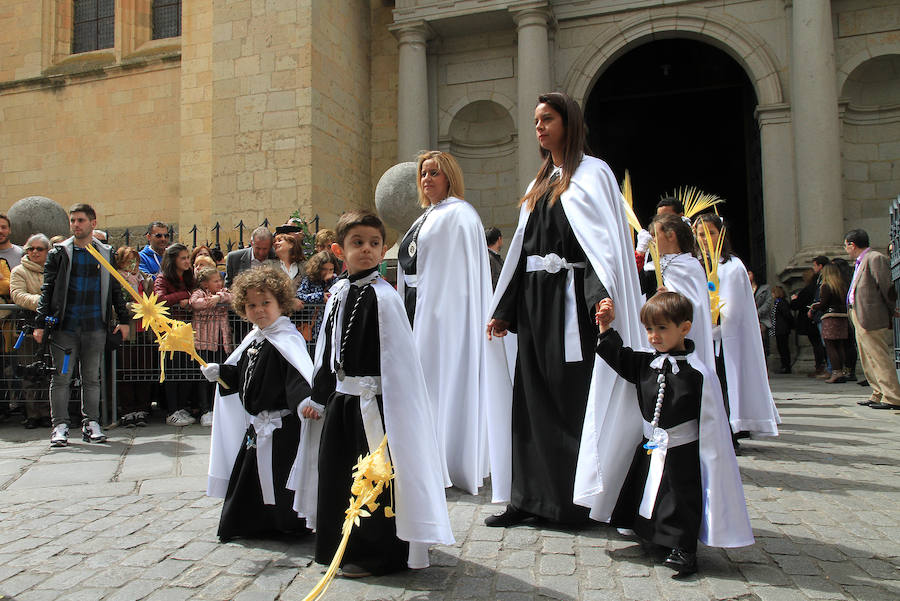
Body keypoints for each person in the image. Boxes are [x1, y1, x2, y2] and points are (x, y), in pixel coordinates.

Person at [486, 92, 644, 527]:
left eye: (547, 119)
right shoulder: (538, 184)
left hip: (573, 308)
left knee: (568, 399)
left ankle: (571, 503)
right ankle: (528, 499)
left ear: (568, 123)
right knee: (531, 401)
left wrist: (601, 297)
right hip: (536, 307)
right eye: (536, 120)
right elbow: (522, 252)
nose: (539, 127)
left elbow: (599, 249)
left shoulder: (594, 174)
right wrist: (504, 309)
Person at [292, 210, 453, 577]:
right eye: (357, 243)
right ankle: (339, 547)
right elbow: (328, 351)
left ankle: (375, 554)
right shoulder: (338, 294)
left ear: (383, 251)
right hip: (342, 404)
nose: (366, 249)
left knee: (374, 478)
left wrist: (398, 412)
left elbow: (401, 364)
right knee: (338, 477)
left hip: (376, 407)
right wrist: (320, 396)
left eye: (374, 243)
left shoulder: (385, 298)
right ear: (339, 250)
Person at [594, 293, 752, 576]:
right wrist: (606, 328)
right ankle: (653, 534)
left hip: (682, 453)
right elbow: (619, 356)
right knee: (651, 494)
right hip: (651, 448)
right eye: (649, 329)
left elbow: (712, 422)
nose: (654, 336)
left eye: (662, 328)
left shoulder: (698, 374)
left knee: (680, 500)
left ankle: (684, 549)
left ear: (684, 328)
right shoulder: (646, 364)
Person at [397, 150, 504, 495]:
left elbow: (459, 278)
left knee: (439, 383)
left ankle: (445, 459)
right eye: (423, 173)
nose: (427, 179)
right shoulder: (425, 217)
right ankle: (422, 457)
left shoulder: (460, 215)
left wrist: (441, 313)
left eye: (434, 173)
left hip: (445, 318)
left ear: (449, 177)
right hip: (416, 308)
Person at [201, 267, 314, 541]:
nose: (259, 310)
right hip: (256, 428)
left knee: (280, 476)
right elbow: (242, 375)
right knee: (251, 479)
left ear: (280, 304)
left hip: (282, 429)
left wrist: (304, 402)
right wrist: (223, 373)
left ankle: (286, 524)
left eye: (265, 303)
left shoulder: (287, 339)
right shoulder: (254, 339)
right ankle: (254, 523)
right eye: (251, 305)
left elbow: (297, 378)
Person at [34, 203, 131, 447]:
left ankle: (91, 423)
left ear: (93, 223)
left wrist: (124, 319)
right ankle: (60, 425)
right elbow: (47, 289)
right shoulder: (59, 253)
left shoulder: (105, 252)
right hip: (65, 328)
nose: (76, 225)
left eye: (80, 220)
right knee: (62, 377)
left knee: (91, 377)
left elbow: (115, 288)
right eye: (73, 220)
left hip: (95, 326)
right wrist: (40, 323)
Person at [693, 213, 780, 439]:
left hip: (725, 337)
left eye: (711, 233)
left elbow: (737, 304)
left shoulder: (733, 266)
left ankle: (731, 433)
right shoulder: (692, 264)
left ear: (721, 234)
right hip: (700, 336)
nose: (706, 239)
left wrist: (719, 323)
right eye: (701, 234)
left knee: (726, 383)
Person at [844, 229, 900, 409]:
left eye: (845, 246)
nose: (846, 250)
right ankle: (878, 392)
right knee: (867, 357)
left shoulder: (875, 258)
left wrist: (892, 308)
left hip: (870, 315)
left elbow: (886, 286)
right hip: (858, 314)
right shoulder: (861, 262)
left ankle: (893, 397)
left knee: (878, 356)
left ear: (852, 245)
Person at [10, 234, 52, 428]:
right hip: (27, 327)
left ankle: (48, 413)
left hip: (52, 327)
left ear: (47, 251)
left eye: (39, 249)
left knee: (48, 372)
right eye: (30, 249)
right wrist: (44, 302)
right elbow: (18, 295)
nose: (34, 252)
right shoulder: (19, 271)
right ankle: (32, 414)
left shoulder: (54, 269)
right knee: (29, 372)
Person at [154, 243, 198, 426]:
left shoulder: (188, 277)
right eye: (183, 258)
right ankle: (172, 410)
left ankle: (181, 407)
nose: (187, 261)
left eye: (188, 257)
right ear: (173, 260)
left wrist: (187, 295)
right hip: (170, 332)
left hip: (187, 330)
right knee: (172, 371)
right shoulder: (163, 278)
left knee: (187, 370)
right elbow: (160, 299)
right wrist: (182, 295)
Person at [114, 246, 154, 427]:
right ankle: (128, 409)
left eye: (136, 260)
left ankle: (143, 408)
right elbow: (116, 305)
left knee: (144, 370)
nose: (133, 264)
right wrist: (136, 307)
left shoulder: (145, 279)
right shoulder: (117, 279)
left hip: (144, 331)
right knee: (126, 371)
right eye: (129, 261)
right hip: (127, 331)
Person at [190, 267, 234, 426]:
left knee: (219, 375)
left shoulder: (223, 292)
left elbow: (234, 297)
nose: (219, 283)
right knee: (204, 378)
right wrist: (211, 300)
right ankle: (205, 409)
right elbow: (195, 303)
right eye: (215, 281)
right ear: (205, 284)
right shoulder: (199, 293)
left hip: (222, 343)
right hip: (204, 342)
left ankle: (217, 407)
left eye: (220, 280)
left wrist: (219, 297)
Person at [810, 264, 848, 383]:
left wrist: (813, 307)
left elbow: (823, 304)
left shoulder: (826, 286)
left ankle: (836, 372)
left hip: (830, 317)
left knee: (830, 345)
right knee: (840, 345)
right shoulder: (842, 286)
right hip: (842, 316)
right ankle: (842, 371)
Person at [790, 269, 827, 377]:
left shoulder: (807, 290)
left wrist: (794, 299)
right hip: (816, 318)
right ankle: (822, 366)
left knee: (817, 344)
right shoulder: (816, 288)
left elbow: (796, 305)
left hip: (810, 319)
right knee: (820, 343)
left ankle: (820, 367)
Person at [296, 250, 336, 342]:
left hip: (330, 329)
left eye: (331, 269)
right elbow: (299, 296)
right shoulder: (309, 280)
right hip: (313, 329)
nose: (328, 272)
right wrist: (320, 296)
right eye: (324, 269)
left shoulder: (336, 281)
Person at [273, 227, 305, 305]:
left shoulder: (304, 266)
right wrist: (291, 302)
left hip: (302, 311)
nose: (275, 243)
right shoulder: (268, 265)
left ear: (291, 244)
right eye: (274, 242)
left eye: (279, 240)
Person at [769, 285, 794, 374]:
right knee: (781, 347)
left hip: (782, 328)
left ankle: (786, 366)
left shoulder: (781, 303)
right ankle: (784, 365)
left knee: (783, 348)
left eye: (773, 292)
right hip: (779, 328)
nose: (772, 294)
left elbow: (787, 315)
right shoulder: (777, 302)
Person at [748, 269, 772, 358]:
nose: (747, 275)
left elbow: (768, 303)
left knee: (762, 342)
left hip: (761, 319)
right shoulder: (744, 289)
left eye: (749, 273)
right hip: (748, 320)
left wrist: (756, 313)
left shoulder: (765, 288)